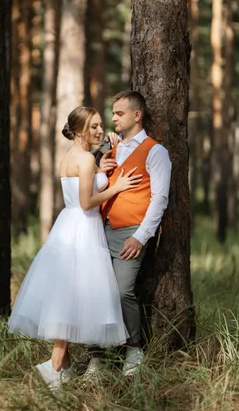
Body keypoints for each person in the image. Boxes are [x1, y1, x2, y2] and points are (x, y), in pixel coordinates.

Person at [8, 106, 143, 390]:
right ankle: (55, 366)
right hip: (83, 226)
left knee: (67, 297)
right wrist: (116, 187)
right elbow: (86, 201)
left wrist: (103, 158)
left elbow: (90, 175)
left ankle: (62, 367)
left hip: (68, 225)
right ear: (80, 129)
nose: (98, 130)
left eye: (100, 125)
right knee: (73, 297)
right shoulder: (83, 159)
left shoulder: (74, 156)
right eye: (93, 126)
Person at [86, 90, 172, 377]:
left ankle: (134, 350)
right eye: (112, 113)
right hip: (101, 230)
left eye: (119, 113)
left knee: (123, 291)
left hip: (131, 233)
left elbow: (160, 198)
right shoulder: (110, 151)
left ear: (137, 115)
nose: (113, 118)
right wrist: (101, 166)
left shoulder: (156, 151)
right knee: (96, 292)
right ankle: (97, 358)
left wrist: (142, 236)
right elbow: (93, 190)